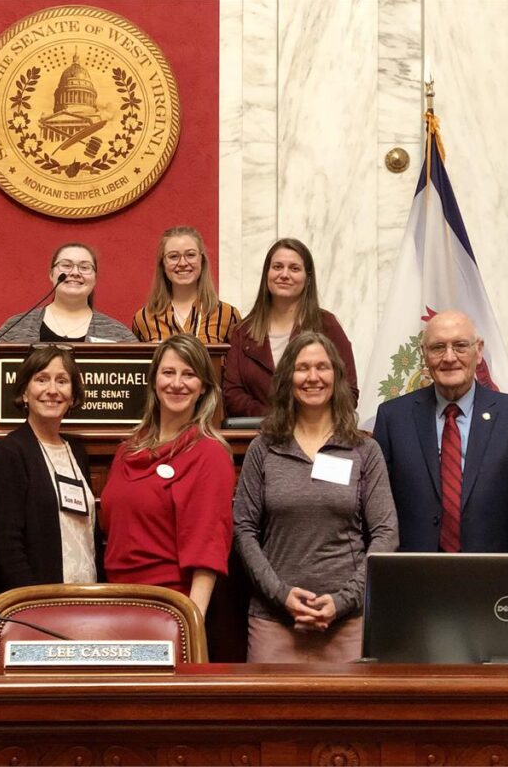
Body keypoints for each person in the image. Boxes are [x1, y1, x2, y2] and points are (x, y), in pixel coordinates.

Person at [233, 332, 398, 663]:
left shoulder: (364, 450)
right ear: (287, 379)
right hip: (274, 622)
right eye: (302, 367)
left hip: (348, 624)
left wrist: (343, 600)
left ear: (336, 376)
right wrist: (281, 596)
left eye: (322, 367)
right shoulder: (263, 448)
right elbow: (243, 530)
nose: (312, 377)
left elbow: (386, 533)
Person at [372, 310, 508, 553]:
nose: (449, 357)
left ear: (478, 351)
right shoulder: (393, 418)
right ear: (423, 354)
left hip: (492, 579)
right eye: (437, 347)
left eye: (460, 346)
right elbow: (377, 513)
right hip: (412, 578)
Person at [100, 335, 234, 617]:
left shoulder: (210, 454)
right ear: (153, 381)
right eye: (168, 372)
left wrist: (190, 625)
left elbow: (208, 553)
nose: (176, 383)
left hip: (170, 609)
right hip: (115, 603)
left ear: (203, 389)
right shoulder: (127, 449)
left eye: (189, 375)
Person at [0, 345, 98, 591]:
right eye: (42, 379)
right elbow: (6, 547)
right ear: (25, 392)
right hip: (39, 605)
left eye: (62, 381)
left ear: (73, 395)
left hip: (85, 599)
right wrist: (34, 603)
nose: (52, 390)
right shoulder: (10, 453)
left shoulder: (76, 451)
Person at [223, 238, 358, 417]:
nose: (284, 274)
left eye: (294, 268)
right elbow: (232, 394)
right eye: (278, 267)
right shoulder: (243, 331)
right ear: (267, 274)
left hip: (318, 435)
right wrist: (276, 419)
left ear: (307, 278)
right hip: (258, 436)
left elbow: (348, 391)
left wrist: (305, 419)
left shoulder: (326, 325)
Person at [0, 242, 137, 343]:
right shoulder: (16, 327)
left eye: (85, 267)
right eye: (66, 265)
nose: (75, 272)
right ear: (51, 274)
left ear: (95, 278)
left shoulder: (119, 334)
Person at [131, 226, 241, 343]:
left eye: (190, 255)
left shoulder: (227, 315)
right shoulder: (143, 319)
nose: (183, 263)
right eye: (173, 256)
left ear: (202, 260)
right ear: (163, 264)